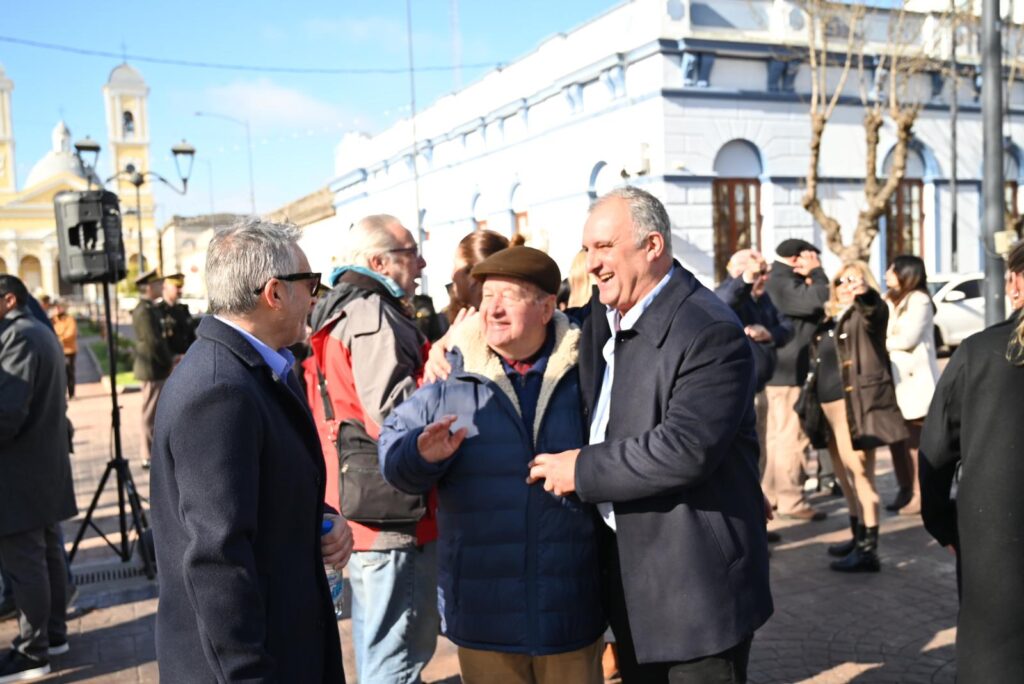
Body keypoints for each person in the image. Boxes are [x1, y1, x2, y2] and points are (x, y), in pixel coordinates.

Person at [527, 187, 772, 681]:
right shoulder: (606, 312)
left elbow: (684, 449)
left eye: (604, 248)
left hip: (694, 585)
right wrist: (462, 343)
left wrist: (580, 469)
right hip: (631, 574)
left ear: (653, 246)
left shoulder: (708, 330)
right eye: (587, 249)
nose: (592, 264)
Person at [380, 247, 605, 684]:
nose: (493, 309)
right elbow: (392, 456)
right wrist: (419, 455)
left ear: (545, 308)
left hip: (570, 607)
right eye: (486, 298)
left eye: (509, 296)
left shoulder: (585, 375)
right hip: (485, 614)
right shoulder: (455, 382)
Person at [149, 218, 352, 682]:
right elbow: (217, 555)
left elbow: (257, 487)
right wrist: (246, 673)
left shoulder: (253, 369)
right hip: (252, 663)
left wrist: (319, 518)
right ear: (275, 293)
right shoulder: (222, 389)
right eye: (311, 284)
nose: (315, 298)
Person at [308, 214, 438, 684]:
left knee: (376, 648)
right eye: (410, 253)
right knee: (395, 659)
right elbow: (396, 416)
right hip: (390, 511)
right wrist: (444, 373)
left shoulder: (343, 306)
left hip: (365, 505)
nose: (420, 263)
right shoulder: (372, 313)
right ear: (378, 260)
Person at [919, 240, 1024, 681]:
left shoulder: (981, 352)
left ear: (1016, 283)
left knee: (995, 656)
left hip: (996, 536)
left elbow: (936, 450)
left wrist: (943, 524)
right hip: (993, 534)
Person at [0, 275, 78, 683]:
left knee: (27, 564)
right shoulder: (36, 330)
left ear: (9, 299)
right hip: (41, 469)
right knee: (46, 557)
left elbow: (7, 414)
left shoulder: (18, 337)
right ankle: (54, 637)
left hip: (20, 474)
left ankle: (33, 653)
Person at [809, 261, 906, 572]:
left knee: (861, 475)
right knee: (843, 474)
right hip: (827, 409)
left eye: (854, 280)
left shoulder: (864, 315)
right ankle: (857, 534)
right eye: (842, 281)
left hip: (854, 407)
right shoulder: (829, 316)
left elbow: (875, 314)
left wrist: (865, 296)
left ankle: (868, 550)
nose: (846, 286)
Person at [763, 238, 830, 521]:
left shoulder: (776, 278)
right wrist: (816, 272)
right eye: (810, 257)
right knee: (792, 438)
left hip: (779, 371)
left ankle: (774, 495)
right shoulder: (781, 280)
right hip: (789, 372)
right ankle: (791, 500)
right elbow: (822, 298)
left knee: (777, 438)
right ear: (797, 258)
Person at [883, 255, 939, 515]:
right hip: (895, 380)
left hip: (915, 382)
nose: (887, 273)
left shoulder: (919, 300)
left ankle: (921, 495)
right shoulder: (891, 299)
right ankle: (905, 489)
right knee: (898, 440)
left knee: (916, 442)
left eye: (892, 269)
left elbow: (907, 337)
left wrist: (883, 341)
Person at [131, 269, 173, 469]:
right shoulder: (143, 311)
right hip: (152, 367)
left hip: (156, 366)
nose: (161, 287)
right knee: (149, 413)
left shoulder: (150, 308)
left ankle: (152, 452)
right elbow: (153, 341)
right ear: (148, 287)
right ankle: (147, 455)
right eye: (157, 284)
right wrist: (170, 361)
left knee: (155, 411)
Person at [447, 229, 512, 322]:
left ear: (472, 277)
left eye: (456, 266)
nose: (452, 275)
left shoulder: (482, 327)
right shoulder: (505, 318)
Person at [158, 273, 198, 360]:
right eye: (177, 287)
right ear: (166, 286)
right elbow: (158, 343)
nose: (180, 290)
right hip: (170, 363)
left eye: (181, 287)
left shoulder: (183, 309)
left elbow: (191, 336)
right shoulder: (158, 311)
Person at [50, 300, 78, 399]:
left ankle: (71, 393)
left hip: (68, 350)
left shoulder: (69, 320)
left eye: (59, 307)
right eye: (56, 307)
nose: (57, 309)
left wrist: (59, 338)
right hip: (57, 350)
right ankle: (62, 394)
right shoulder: (52, 320)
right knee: (59, 374)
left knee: (69, 372)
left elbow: (71, 333)